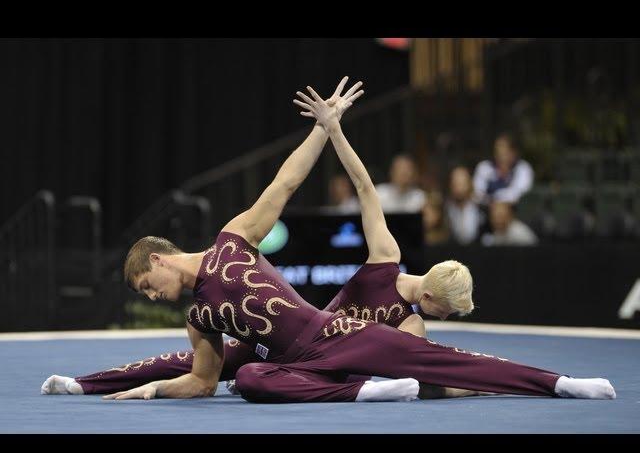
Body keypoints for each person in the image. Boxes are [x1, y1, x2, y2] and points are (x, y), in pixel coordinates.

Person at [95, 78, 614, 403]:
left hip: (335, 335)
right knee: (250, 378)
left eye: (146, 284)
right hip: (292, 366)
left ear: (158, 258)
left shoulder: (231, 243)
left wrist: (325, 128)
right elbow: (203, 383)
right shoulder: (198, 317)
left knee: (446, 360)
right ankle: (365, 390)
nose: (151, 295)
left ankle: (558, 383)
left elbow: (285, 184)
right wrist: (150, 391)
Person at [473, 133, 534, 206]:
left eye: (505, 152)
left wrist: (495, 198)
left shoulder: (523, 168)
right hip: (486, 210)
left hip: (514, 210)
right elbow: (477, 194)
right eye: (498, 151)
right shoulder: (484, 167)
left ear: (514, 153)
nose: (501, 155)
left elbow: (519, 194)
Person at [446, 166, 482, 245]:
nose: (459, 188)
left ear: (470, 183)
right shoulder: (444, 210)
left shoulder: (481, 209)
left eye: (462, 183)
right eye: (455, 183)